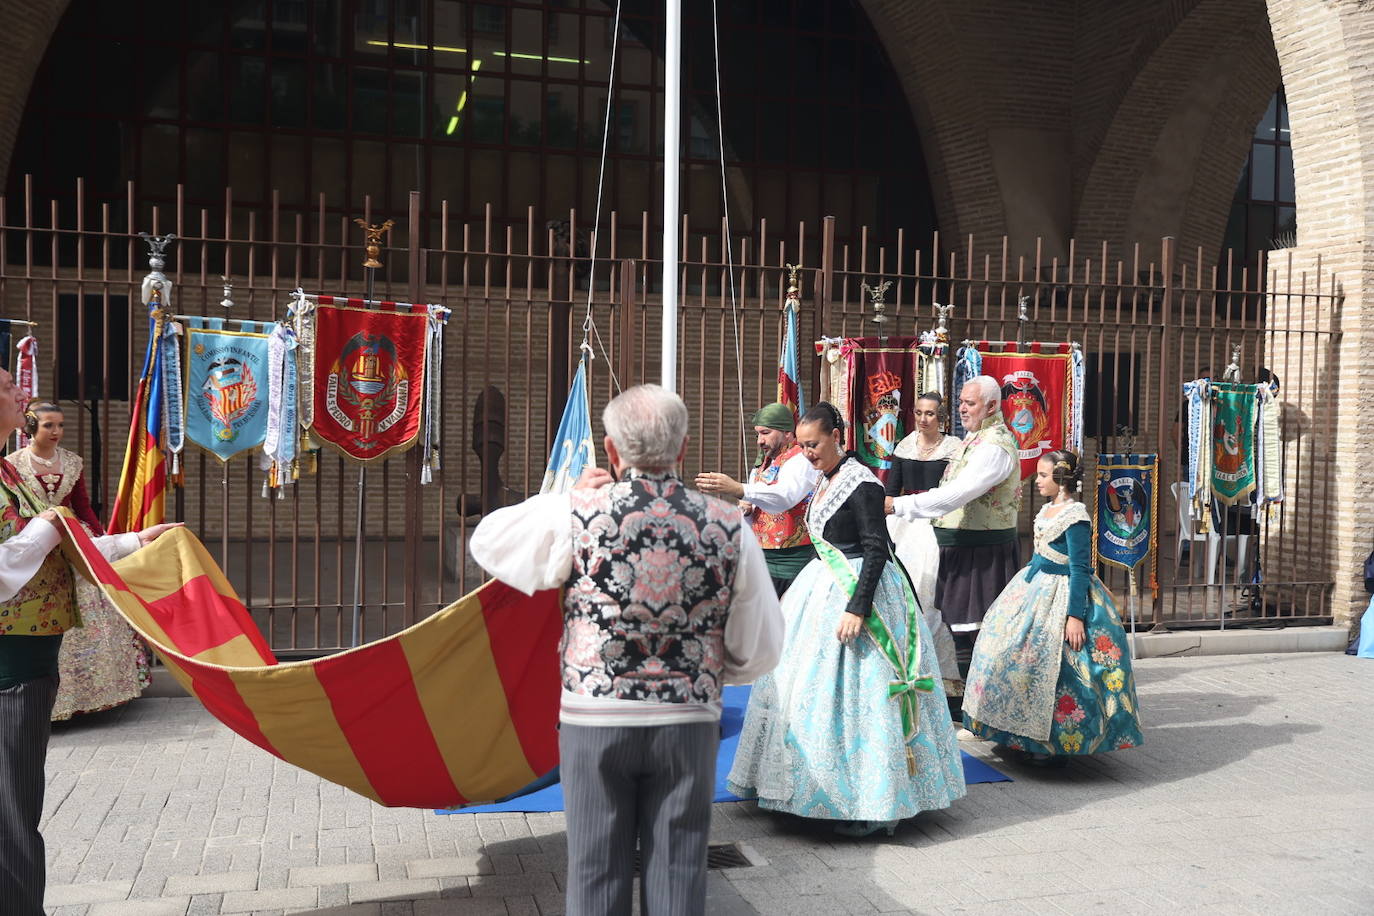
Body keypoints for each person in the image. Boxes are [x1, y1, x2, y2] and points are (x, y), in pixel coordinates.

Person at [469, 384, 783, 916]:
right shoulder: (729, 524)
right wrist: (705, 674)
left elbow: (489, 541)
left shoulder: (577, 514)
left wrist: (567, 496)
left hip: (595, 719)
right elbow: (760, 649)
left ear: (611, 453)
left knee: (594, 869)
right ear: (682, 450)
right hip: (687, 719)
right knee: (679, 870)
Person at [727, 402, 966, 838]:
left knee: (863, 699)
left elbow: (877, 549)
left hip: (861, 592)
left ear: (837, 435)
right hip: (820, 588)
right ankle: (802, 787)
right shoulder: (825, 479)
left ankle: (864, 799)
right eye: (801, 446)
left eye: (813, 444)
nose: (807, 453)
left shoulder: (862, 485)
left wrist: (858, 607)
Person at [0, 371, 179, 916]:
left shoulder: (10, 471)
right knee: (11, 816)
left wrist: (129, 540)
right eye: (8, 388)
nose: (21, 396)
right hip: (9, 671)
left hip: (27, 664)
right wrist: (49, 525)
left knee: (17, 808)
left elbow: (67, 538)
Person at [962, 451, 1144, 763]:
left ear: (1061, 480)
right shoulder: (1048, 509)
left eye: (1044, 476)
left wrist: (1074, 617)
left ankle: (1049, 742)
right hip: (1034, 586)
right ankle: (1009, 730)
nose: (1038, 481)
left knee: (1056, 666)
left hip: (1062, 595)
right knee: (1007, 652)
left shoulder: (1075, 517)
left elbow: (1079, 569)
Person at [6, 402, 150, 721]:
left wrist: (100, 543)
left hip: (75, 541)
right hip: (37, 544)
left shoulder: (72, 461)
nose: (56, 432)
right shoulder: (12, 465)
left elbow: (82, 507)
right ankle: (48, 702)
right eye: (48, 425)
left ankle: (96, 694)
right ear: (31, 427)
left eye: (60, 425)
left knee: (91, 614)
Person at [885, 376, 1021, 681]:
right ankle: (970, 711)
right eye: (960, 402)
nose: (961, 409)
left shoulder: (995, 446)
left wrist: (899, 506)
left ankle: (985, 711)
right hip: (959, 546)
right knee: (959, 629)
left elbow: (958, 493)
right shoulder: (975, 439)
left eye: (969, 403)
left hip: (984, 552)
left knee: (979, 634)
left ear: (992, 406)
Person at [695, 403, 820, 596]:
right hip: (763, 560)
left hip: (793, 563)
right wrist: (747, 509)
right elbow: (757, 508)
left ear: (788, 433)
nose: (760, 441)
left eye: (766, 433)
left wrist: (738, 488)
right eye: (757, 434)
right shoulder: (762, 465)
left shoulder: (800, 460)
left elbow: (784, 497)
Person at [884, 392, 962, 696]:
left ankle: (940, 676)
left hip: (936, 523)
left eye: (929, 413)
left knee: (930, 595)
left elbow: (955, 492)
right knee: (905, 590)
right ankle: (904, 665)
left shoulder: (953, 448)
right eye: (918, 412)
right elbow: (892, 489)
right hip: (903, 523)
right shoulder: (904, 445)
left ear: (940, 417)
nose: (923, 419)